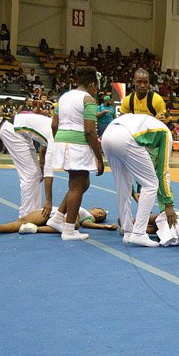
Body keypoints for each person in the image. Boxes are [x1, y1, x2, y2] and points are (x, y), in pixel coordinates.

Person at [46, 66, 104, 241]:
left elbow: (54, 125)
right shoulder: (88, 100)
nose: (97, 90)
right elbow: (90, 131)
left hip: (63, 141)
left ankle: (57, 219)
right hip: (78, 144)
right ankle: (69, 229)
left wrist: (61, 141)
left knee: (82, 183)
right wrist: (99, 157)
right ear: (92, 84)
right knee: (77, 186)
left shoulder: (64, 97)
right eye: (96, 86)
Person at [101, 113, 177, 247]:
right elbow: (163, 171)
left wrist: (137, 190)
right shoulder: (166, 134)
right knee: (152, 184)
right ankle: (139, 233)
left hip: (107, 135)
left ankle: (127, 231)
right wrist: (168, 204)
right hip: (124, 137)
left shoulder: (148, 125)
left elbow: (139, 168)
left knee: (122, 185)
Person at [0, 207, 116, 237]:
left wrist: (103, 226)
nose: (99, 215)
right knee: (20, 222)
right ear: (94, 207)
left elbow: (87, 224)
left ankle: (34, 229)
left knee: (74, 224)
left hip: (62, 217)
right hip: (53, 211)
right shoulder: (81, 206)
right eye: (99, 211)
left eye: (101, 216)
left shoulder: (86, 217)